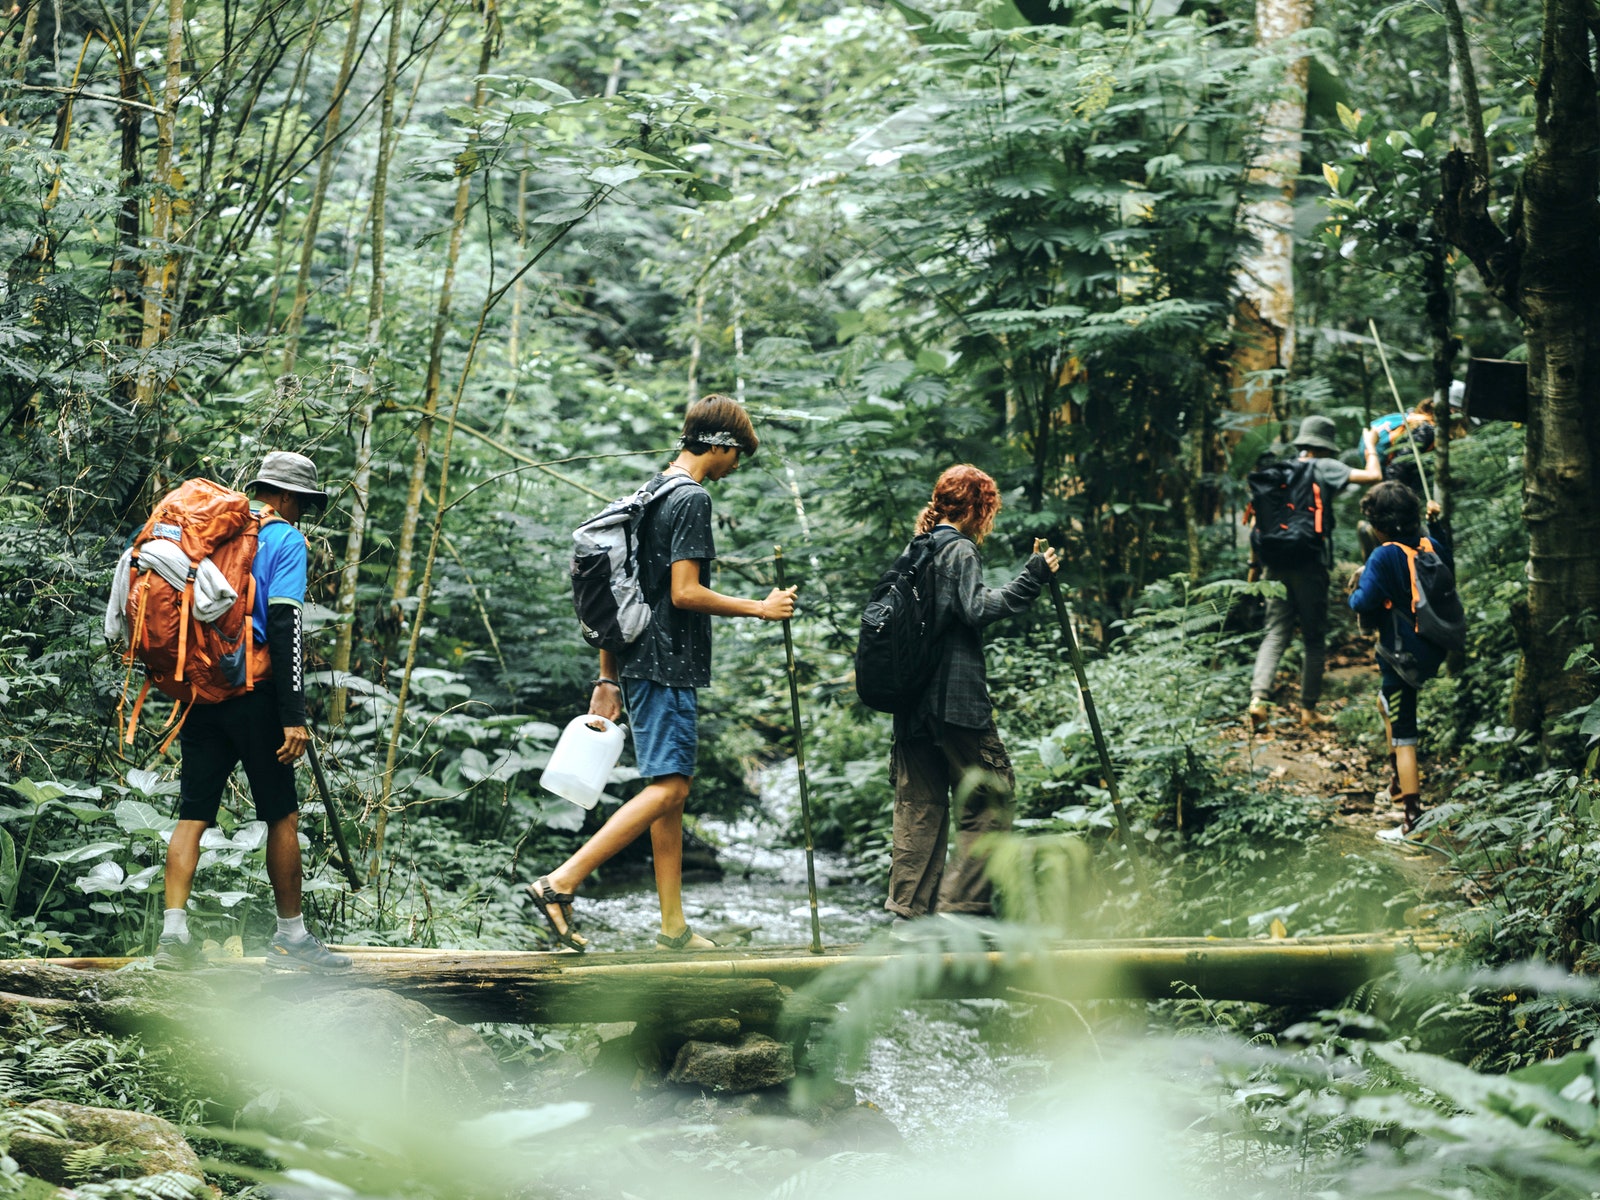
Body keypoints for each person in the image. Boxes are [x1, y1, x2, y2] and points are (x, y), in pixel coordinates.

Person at [528, 395, 797, 952]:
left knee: (668, 792)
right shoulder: (691, 499)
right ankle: (561, 882)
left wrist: (608, 676)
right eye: (737, 455)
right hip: (666, 661)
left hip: (635, 659)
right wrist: (760, 607)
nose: (736, 466)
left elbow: (621, 587)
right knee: (672, 786)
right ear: (720, 445)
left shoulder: (652, 491)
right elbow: (683, 593)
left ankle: (673, 927)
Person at [155, 451, 351, 971]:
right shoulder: (285, 538)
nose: (303, 511)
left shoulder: (213, 532)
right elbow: (286, 629)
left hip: (202, 689)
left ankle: (173, 938)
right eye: (303, 502)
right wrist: (294, 715)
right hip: (256, 695)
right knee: (281, 815)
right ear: (286, 497)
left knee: (192, 814)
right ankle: (291, 938)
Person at [884, 465, 1060, 926]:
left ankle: (909, 916)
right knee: (991, 798)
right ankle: (961, 912)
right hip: (956, 703)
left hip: (910, 707)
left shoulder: (915, 550)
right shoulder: (959, 549)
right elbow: (977, 608)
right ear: (981, 507)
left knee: (918, 808)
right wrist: (1033, 576)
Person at [1248, 414, 1383, 730]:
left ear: (1303, 443)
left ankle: (1257, 700)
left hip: (1274, 564)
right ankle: (1308, 710)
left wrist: (1254, 567)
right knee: (1313, 637)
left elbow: (1258, 523)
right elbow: (1374, 476)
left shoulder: (1278, 472)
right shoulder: (1324, 467)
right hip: (1310, 565)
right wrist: (1371, 446)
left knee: (1275, 632)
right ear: (1326, 445)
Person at [1348, 481, 1451, 841]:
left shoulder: (1384, 554)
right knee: (1385, 706)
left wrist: (1356, 587)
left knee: (1404, 733)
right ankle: (1396, 779)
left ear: (1378, 524)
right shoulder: (1429, 544)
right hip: (1428, 648)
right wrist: (1436, 525)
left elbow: (1363, 602)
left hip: (1400, 656)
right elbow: (1447, 564)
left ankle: (1412, 821)